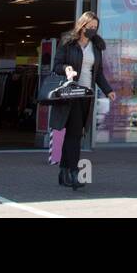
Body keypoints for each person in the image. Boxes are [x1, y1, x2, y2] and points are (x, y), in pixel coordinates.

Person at [51, 11, 115, 189]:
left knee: (73, 134)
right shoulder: (68, 42)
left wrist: (108, 90)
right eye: (90, 27)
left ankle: (63, 172)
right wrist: (66, 69)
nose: (93, 31)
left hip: (87, 95)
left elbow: (98, 73)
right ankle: (73, 173)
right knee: (75, 135)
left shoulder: (96, 46)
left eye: (95, 28)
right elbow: (56, 65)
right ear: (82, 25)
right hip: (71, 94)